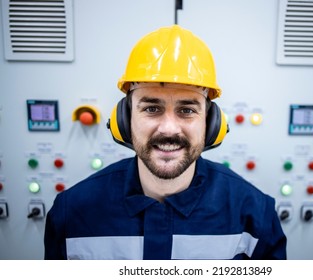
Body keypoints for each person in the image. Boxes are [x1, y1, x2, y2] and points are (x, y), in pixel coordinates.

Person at [44, 25, 287, 260]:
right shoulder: (71, 212)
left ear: (212, 124)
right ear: (124, 120)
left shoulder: (255, 215)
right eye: (151, 108)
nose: (169, 128)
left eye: (187, 110)